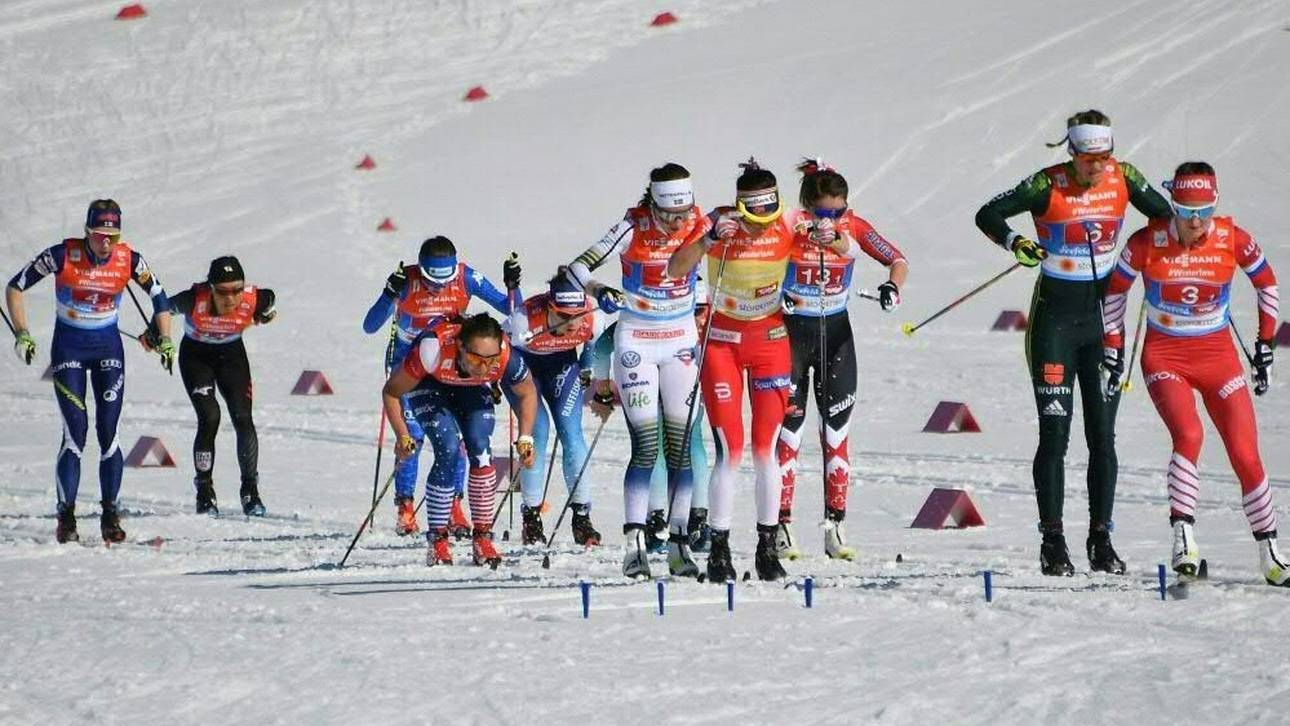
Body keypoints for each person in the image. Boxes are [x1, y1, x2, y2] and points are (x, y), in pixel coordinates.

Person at [974, 110, 1172, 576]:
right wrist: (1015, 242)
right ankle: (1053, 541)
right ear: (1073, 153)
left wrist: (1139, 251)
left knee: (1103, 436)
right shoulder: (1047, 184)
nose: (1097, 168)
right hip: (1055, 324)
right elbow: (987, 212)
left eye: (1104, 158)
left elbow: (1165, 218)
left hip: (1105, 320)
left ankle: (1101, 540)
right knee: (1056, 435)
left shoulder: (1125, 177)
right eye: (1089, 160)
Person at [1102, 162, 1285, 586]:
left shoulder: (1230, 238)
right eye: (1186, 212)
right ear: (1173, 207)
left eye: (1204, 210)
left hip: (1218, 357)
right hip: (1166, 357)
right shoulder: (1146, 242)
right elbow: (1115, 293)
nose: (1196, 221)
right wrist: (1114, 350)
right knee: (1190, 435)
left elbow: (1268, 284)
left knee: (1245, 452)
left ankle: (1271, 552)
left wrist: (1264, 345)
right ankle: (1183, 536)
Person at [567, 163, 711, 579]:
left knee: (682, 446)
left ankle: (681, 544)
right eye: (669, 215)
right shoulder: (632, 225)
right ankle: (635, 544)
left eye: (683, 214)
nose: (677, 223)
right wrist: (599, 291)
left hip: (681, 343)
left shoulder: (699, 222)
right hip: (637, 345)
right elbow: (577, 267)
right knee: (647, 446)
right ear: (654, 204)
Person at [6, 199, 173, 543]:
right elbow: (15, 286)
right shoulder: (62, 255)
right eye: (99, 235)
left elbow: (159, 297)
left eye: (113, 235)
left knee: (109, 432)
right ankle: (66, 516)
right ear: (87, 232)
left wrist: (165, 338)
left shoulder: (129, 259)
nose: (106, 243)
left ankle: (110, 514)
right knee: (76, 433)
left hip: (108, 350)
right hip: (69, 349)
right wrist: (22, 332)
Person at [667, 158, 797, 582]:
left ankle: (766, 547)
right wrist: (707, 241)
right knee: (731, 451)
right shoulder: (718, 222)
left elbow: (842, 243)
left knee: (766, 451)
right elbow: (675, 267)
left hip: (771, 343)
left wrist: (831, 238)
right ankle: (719, 551)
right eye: (751, 219)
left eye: (768, 218)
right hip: (721, 344)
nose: (760, 227)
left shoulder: (790, 224)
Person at [775, 159, 908, 561]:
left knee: (836, 433)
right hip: (792, 334)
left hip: (836, 335)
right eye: (823, 212)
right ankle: (781, 527)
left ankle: (835, 525)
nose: (830, 219)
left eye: (839, 211)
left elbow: (897, 260)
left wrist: (892, 287)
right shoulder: (789, 223)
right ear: (806, 205)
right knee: (789, 433)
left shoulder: (854, 227)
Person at [362, 236, 515, 537]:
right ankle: (405, 505)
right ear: (421, 270)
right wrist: (388, 294)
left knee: (454, 438)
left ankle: (454, 505)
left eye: (444, 282)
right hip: (408, 361)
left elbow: (511, 310)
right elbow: (370, 326)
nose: (438, 288)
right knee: (413, 436)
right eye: (432, 281)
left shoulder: (466, 277)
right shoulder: (407, 279)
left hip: (448, 361)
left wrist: (513, 286)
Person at [381, 313, 538, 567]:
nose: (485, 367)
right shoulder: (432, 348)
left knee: (480, 448)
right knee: (448, 448)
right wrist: (402, 435)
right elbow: (391, 391)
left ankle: (483, 538)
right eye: (476, 358)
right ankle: (438, 541)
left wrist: (526, 437)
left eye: (491, 360)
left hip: (472, 388)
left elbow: (528, 391)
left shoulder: (505, 355)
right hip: (430, 384)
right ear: (461, 347)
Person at [589, 276, 713, 555]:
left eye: (700, 310)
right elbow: (602, 348)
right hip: (645, 380)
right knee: (651, 447)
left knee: (690, 444)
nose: (697, 318)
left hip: (685, 384)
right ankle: (656, 516)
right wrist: (602, 387)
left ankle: (697, 517)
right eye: (693, 309)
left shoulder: (710, 326)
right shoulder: (650, 318)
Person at [503, 269, 609, 548]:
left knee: (571, 433)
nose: (572, 323)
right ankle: (532, 516)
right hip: (524, 368)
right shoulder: (523, 320)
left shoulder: (594, 317)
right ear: (551, 307)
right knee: (537, 432)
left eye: (577, 315)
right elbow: (500, 353)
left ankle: (582, 516)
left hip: (561, 366)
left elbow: (592, 344)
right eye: (563, 316)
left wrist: (587, 366)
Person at [167, 256, 276, 516]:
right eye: (224, 292)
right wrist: (155, 334)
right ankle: (204, 491)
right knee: (210, 416)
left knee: (242, 417)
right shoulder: (194, 299)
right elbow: (163, 307)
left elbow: (270, 297)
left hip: (231, 356)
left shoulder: (251, 299)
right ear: (211, 288)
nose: (231, 298)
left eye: (237, 289)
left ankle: (250, 490)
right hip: (197, 357)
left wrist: (261, 312)